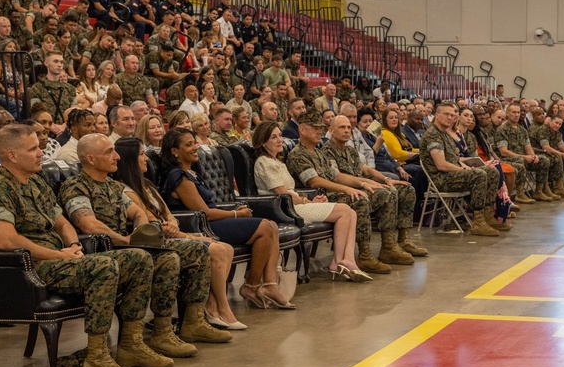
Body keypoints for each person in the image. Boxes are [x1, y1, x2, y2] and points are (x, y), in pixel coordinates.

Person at [0, 124, 149, 367]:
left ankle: (130, 344)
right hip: (31, 268)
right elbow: (6, 240)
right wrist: (59, 255)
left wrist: (73, 246)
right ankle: (96, 360)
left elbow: (62, 223)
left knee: (139, 258)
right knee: (104, 267)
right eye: (32, 148)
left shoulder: (36, 183)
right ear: (11, 155)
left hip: (59, 258)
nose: (40, 152)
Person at [60, 133, 227, 348]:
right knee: (167, 259)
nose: (117, 157)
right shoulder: (76, 186)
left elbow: (138, 213)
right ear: (91, 159)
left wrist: (139, 229)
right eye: (109, 152)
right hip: (105, 249)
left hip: (130, 244)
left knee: (196, 249)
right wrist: (125, 239)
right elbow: (88, 224)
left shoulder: (113, 186)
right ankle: (140, 339)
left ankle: (189, 323)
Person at [159, 128, 294, 310]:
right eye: (188, 145)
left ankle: (269, 285)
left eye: (194, 143)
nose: (195, 148)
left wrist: (233, 210)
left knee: (271, 225)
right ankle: (252, 286)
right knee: (264, 227)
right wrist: (235, 214)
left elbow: (211, 207)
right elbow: (205, 212)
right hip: (202, 227)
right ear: (174, 151)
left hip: (214, 221)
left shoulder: (192, 173)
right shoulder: (179, 177)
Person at [252, 121, 371, 282]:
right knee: (344, 210)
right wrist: (307, 202)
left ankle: (346, 259)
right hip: (283, 209)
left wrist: (311, 200)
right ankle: (339, 262)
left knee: (350, 212)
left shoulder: (278, 161)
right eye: (274, 137)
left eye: (280, 135)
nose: (280, 139)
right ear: (263, 141)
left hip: (294, 204)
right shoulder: (264, 162)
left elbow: (291, 192)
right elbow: (283, 194)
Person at [323, 114, 428, 264]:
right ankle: (365, 253)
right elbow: (338, 177)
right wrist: (368, 184)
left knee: (405, 190)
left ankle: (396, 242)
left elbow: (366, 169)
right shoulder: (327, 151)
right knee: (386, 193)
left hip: (362, 186)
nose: (347, 130)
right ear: (331, 130)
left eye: (348, 127)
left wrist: (386, 179)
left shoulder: (350, 150)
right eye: (342, 127)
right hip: (343, 191)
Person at [419, 102, 502, 237]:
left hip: (452, 174)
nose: (450, 118)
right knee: (478, 175)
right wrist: (465, 171)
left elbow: (456, 159)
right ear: (437, 115)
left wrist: (467, 167)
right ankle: (478, 221)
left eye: (453, 115)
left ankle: (488, 216)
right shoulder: (433, 135)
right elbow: (441, 165)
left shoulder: (446, 133)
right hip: (441, 179)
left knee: (491, 171)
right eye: (446, 114)